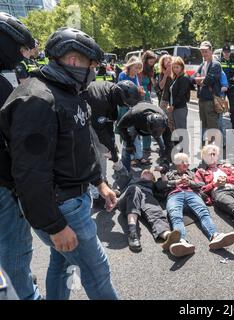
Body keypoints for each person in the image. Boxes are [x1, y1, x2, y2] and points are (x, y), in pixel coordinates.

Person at [0, 27, 119, 300]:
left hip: (72, 200)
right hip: (62, 207)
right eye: (92, 65)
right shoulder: (38, 99)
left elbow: (80, 145)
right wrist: (55, 226)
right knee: (97, 271)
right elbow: (29, 173)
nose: (94, 71)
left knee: (62, 264)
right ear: (74, 61)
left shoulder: (70, 91)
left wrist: (99, 182)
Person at [0, 11, 41, 301]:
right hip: (4, 184)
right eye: (18, 48)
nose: (21, 55)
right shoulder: (2, 85)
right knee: (15, 251)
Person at [161, 153, 234, 257]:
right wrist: (178, 181)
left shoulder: (192, 173)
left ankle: (215, 236)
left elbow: (201, 184)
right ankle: (181, 241)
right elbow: (162, 185)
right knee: (175, 216)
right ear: (177, 164)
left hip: (191, 193)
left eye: (187, 162)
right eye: (183, 162)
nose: (186, 164)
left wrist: (190, 182)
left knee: (204, 212)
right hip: (174, 195)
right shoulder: (169, 173)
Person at [81, 80, 143, 178]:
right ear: (119, 96)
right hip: (84, 117)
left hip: (96, 113)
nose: (124, 105)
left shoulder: (113, 91)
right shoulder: (101, 101)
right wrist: (112, 149)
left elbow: (110, 122)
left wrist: (112, 142)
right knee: (101, 151)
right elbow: (100, 131)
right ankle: (101, 183)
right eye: (124, 103)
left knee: (107, 146)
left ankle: (104, 179)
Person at [195, 145, 234, 244]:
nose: (213, 157)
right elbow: (200, 190)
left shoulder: (225, 167)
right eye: (210, 154)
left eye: (215, 154)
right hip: (219, 192)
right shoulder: (200, 172)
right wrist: (215, 184)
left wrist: (227, 179)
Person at [116, 169, 181, 253]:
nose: (146, 171)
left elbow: (165, 184)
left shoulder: (153, 185)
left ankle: (168, 236)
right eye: (144, 172)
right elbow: (122, 172)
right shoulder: (132, 180)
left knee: (155, 211)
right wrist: (116, 161)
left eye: (149, 173)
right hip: (128, 198)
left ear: (153, 179)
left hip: (147, 196)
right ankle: (132, 234)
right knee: (134, 189)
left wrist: (162, 172)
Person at [116, 101, 172, 171]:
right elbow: (120, 126)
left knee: (163, 145)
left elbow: (169, 144)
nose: (155, 135)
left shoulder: (164, 121)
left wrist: (165, 162)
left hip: (151, 118)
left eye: (160, 131)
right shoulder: (134, 115)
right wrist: (128, 141)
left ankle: (164, 163)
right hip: (138, 123)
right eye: (154, 132)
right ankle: (124, 170)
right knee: (127, 146)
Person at [118, 56, 145, 165]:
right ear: (130, 66)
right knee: (127, 132)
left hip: (133, 106)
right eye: (135, 67)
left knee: (136, 131)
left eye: (139, 68)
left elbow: (137, 91)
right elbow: (121, 90)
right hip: (124, 106)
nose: (137, 70)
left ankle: (139, 155)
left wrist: (141, 92)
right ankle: (130, 156)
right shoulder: (122, 75)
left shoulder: (136, 77)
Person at [192, 41, 222, 138]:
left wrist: (200, 79)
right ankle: (206, 148)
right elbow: (193, 77)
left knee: (212, 127)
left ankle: (214, 150)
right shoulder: (202, 64)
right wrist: (200, 79)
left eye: (206, 51)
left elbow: (209, 80)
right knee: (204, 127)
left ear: (211, 51)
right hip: (202, 100)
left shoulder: (216, 64)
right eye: (202, 51)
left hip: (211, 101)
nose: (204, 54)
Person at [140, 50, 158, 152]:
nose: (153, 63)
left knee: (148, 122)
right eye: (151, 60)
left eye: (154, 61)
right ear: (146, 59)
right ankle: (137, 146)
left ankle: (146, 146)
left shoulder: (150, 69)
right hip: (140, 97)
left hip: (147, 97)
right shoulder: (140, 69)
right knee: (140, 122)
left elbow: (152, 85)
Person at [220, 45, 234, 130]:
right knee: (219, 106)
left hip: (232, 86)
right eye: (225, 52)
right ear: (223, 52)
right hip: (222, 87)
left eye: (228, 52)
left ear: (230, 52)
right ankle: (219, 125)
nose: (226, 53)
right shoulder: (219, 61)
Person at [168, 56, 191, 130]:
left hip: (180, 107)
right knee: (178, 130)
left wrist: (173, 105)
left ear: (182, 67)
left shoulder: (184, 77)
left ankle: (184, 142)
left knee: (181, 130)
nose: (175, 69)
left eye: (177, 67)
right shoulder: (176, 77)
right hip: (175, 107)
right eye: (174, 67)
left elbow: (181, 94)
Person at [157, 54, 175, 131]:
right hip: (164, 100)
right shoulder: (161, 73)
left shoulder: (175, 71)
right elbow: (161, 87)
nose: (168, 62)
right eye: (165, 60)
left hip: (174, 101)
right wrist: (165, 75)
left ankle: (173, 140)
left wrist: (171, 73)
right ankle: (165, 140)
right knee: (163, 121)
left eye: (169, 60)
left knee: (172, 122)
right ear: (162, 63)